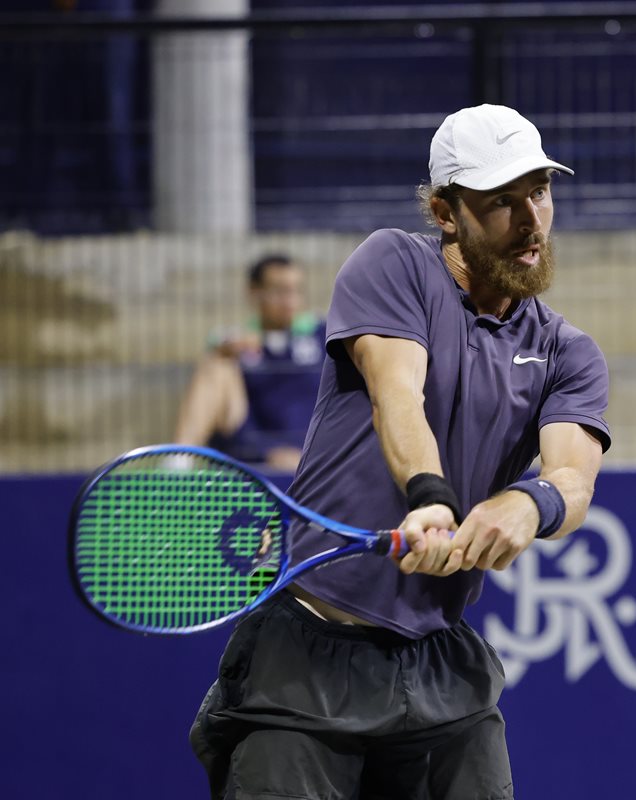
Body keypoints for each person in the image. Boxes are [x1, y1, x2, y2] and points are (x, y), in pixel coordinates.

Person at [189, 104, 611, 799]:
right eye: (501, 202)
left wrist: (527, 504)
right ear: (446, 213)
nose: (531, 220)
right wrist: (431, 499)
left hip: (440, 665)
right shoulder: (394, 263)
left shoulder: (569, 354)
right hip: (306, 655)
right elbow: (397, 394)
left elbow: (572, 479)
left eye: (539, 192)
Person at [173, 254, 325, 472]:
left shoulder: (321, 333)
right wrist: (228, 348)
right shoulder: (237, 342)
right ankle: (178, 466)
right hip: (255, 451)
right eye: (279, 291)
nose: (290, 301)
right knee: (217, 366)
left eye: (296, 290)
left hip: (310, 453)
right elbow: (218, 344)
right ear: (254, 292)